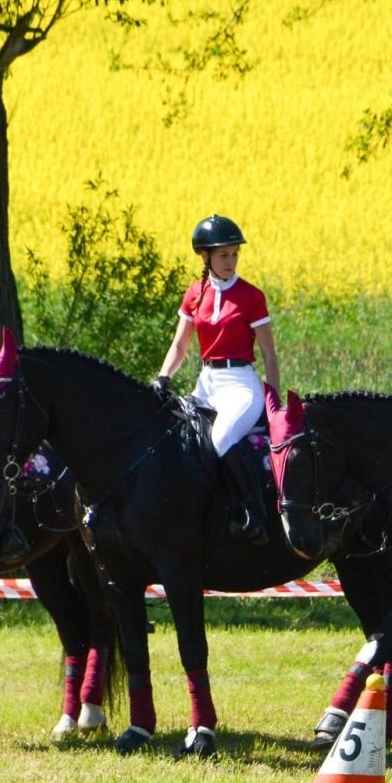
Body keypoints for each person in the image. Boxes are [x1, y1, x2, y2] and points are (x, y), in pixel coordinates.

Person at [154, 215, 279, 544]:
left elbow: (268, 354)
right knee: (181, 441)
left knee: (221, 438)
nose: (231, 261)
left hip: (241, 385)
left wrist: (275, 399)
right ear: (205, 256)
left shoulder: (252, 296)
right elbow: (180, 345)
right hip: (207, 383)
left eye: (235, 254)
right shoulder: (194, 294)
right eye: (224, 255)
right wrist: (163, 377)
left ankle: (252, 513)